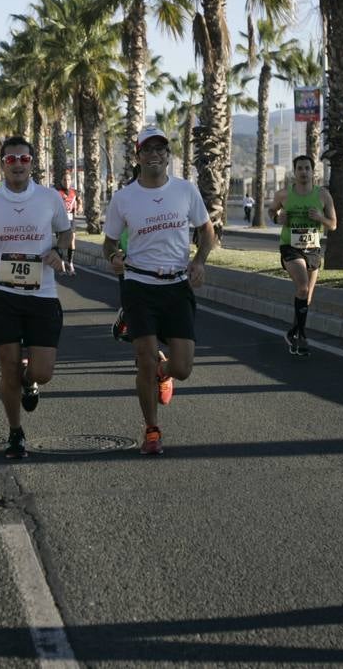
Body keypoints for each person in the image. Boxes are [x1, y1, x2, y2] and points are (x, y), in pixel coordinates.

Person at [0, 135, 74, 459]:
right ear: (3, 164)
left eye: (24, 159)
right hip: (2, 293)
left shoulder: (49, 198)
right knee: (7, 366)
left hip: (42, 294)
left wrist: (59, 251)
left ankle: (30, 380)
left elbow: (65, 232)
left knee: (43, 371)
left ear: (32, 163)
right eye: (11, 160)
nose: (18, 165)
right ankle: (15, 432)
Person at [103, 127, 214, 456]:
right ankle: (152, 430)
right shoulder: (124, 198)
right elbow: (109, 242)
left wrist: (199, 261)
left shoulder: (185, 190)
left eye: (160, 149)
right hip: (139, 285)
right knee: (145, 360)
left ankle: (165, 373)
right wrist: (114, 257)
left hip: (177, 286)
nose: (154, 154)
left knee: (183, 368)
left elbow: (206, 230)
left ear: (168, 155)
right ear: (137, 157)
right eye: (147, 149)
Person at [269, 154, 337, 357]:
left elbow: (333, 224)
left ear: (313, 171)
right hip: (290, 247)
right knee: (302, 287)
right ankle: (303, 336)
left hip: (313, 249)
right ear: (294, 172)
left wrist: (320, 217)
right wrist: (277, 217)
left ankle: (293, 333)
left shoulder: (323, 195)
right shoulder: (284, 195)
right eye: (300, 168)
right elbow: (271, 211)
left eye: (307, 168)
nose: (304, 172)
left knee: (306, 297)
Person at [53, 170, 80, 275]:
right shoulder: (57, 193)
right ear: (61, 181)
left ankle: (70, 263)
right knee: (61, 243)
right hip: (60, 219)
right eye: (64, 180)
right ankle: (61, 264)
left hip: (71, 219)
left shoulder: (74, 192)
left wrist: (80, 206)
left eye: (68, 179)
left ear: (71, 180)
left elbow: (79, 201)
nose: (67, 182)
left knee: (72, 242)